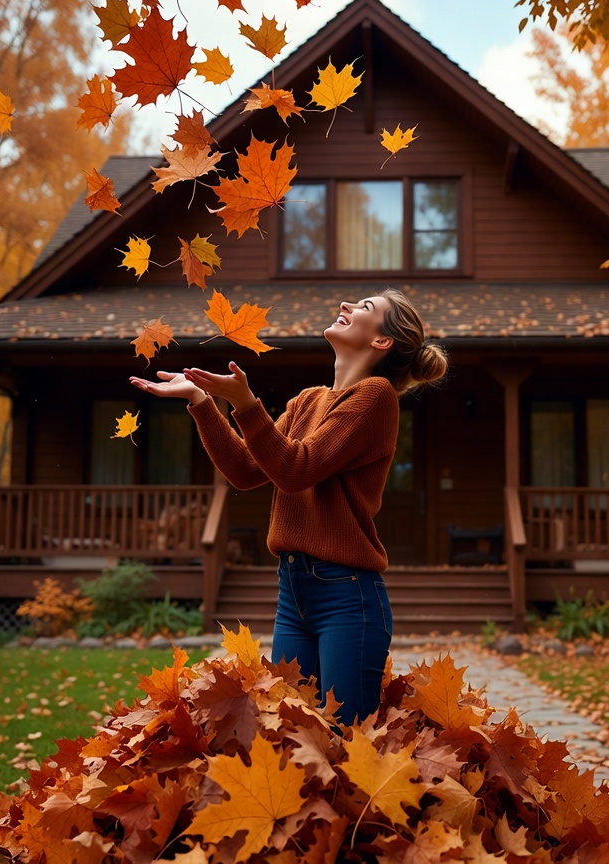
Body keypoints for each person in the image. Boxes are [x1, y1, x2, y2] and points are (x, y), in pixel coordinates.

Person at [129, 288, 448, 724]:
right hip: (292, 593)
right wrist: (201, 403)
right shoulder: (306, 401)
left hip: (345, 594)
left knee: (345, 740)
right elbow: (246, 469)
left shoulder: (375, 397)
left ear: (381, 341)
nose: (346, 306)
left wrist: (245, 403)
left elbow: (297, 469)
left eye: (365, 308)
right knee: (291, 736)